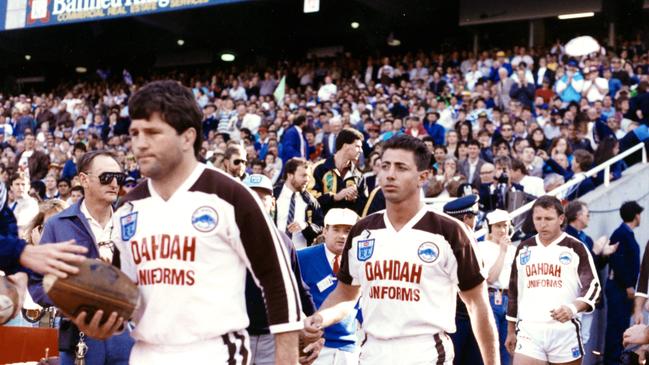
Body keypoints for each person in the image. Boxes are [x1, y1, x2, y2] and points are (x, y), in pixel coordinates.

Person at [71, 80, 303, 364]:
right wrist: (102, 320)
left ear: (187, 137)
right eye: (134, 133)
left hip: (214, 353)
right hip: (146, 354)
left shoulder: (231, 196)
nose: (140, 144)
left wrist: (287, 359)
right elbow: (125, 296)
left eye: (153, 132)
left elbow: (277, 280)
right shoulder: (128, 207)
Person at [304, 135, 499, 364]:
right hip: (371, 354)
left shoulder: (450, 232)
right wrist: (319, 319)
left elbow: (477, 305)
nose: (390, 174)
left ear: (423, 177)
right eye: (385, 166)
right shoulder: (362, 231)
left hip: (426, 354)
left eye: (401, 167)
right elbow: (346, 294)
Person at [29, 150, 135, 365]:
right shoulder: (58, 224)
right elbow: (37, 283)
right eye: (106, 177)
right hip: (79, 335)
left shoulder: (132, 221)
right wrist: (74, 298)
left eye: (119, 178)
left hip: (126, 334)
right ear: (84, 180)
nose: (114, 183)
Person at [505, 195, 600, 365]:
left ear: (561, 218)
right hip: (530, 330)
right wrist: (511, 330)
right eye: (538, 218)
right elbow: (514, 290)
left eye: (548, 218)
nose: (542, 224)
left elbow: (593, 287)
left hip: (564, 330)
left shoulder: (575, 247)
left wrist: (573, 308)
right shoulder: (524, 248)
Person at [242, 174, 322, 365]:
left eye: (264, 196)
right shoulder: (226, 239)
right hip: (236, 334)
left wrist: (316, 331)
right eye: (251, 195)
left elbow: (299, 289)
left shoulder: (284, 242)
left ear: (273, 203)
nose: (258, 200)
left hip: (274, 337)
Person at [297, 208, 361, 365]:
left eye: (348, 230)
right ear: (325, 231)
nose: (342, 236)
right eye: (336, 229)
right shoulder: (301, 258)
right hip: (313, 344)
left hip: (348, 346)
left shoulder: (361, 260)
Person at [564, 201, 618, 346]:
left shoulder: (586, 238)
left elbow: (595, 266)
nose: (589, 217)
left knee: (584, 337)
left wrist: (604, 255)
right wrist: (595, 251)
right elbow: (577, 265)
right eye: (587, 214)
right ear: (578, 215)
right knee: (570, 338)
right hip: (573, 295)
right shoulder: (566, 236)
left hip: (589, 295)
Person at [442, 194, 485, 365]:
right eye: (473, 217)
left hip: (470, 314)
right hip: (454, 316)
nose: (475, 221)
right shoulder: (448, 245)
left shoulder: (470, 241)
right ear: (466, 218)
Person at [604, 200, 644, 364]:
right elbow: (617, 261)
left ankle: (616, 358)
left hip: (623, 289)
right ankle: (612, 360)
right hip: (619, 289)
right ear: (636, 215)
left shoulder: (626, 233)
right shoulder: (621, 233)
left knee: (620, 326)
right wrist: (628, 285)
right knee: (616, 326)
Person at [477, 209, 516, 365]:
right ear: (490, 228)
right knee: (490, 348)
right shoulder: (482, 247)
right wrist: (502, 251)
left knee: (508, 348)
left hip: (510, 300)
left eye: (505, 226)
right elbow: (491, 278)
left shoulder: (514, 250)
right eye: (497, 226)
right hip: (492, 298)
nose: (502, 230)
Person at [311, 128, 367, 215]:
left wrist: (354, 200)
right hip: (322, 226)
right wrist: (335, 197)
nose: (361, 150)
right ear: (345, 146)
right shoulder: (318, 168)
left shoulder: (358, 176)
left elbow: (364, 206)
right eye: (357, 146)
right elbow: (309, 199)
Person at [274, 158, 324, 249]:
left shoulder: (311, 201)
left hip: (300, 256)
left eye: (309, 176)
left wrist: (306, 226)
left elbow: (320, 226)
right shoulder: (273, 195)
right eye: (303, 175)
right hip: (276, 253)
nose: (307, 180)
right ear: (290, 175)